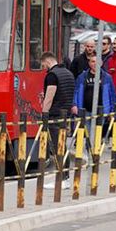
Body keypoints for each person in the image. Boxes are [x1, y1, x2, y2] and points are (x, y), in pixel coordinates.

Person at [39, 52, 76, 187]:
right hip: (65, 114)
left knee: (57, 147)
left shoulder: (52, 76)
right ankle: (64, 178)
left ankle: (62, 179)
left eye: (43, 65)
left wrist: (44, 112)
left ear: (47, 61)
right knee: (62, 145)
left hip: (55, 115)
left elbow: (50, 96)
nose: (44, 68)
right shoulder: (68, 73)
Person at [72, 52, 116, 116]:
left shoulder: (107, 78)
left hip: (102, 112)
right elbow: (76, 92)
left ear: (101, 63)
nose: (95, 64)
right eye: (93, 61)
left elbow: (112, 95)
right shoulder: (81, 77)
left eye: (97, 61)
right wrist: (74, 105)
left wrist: (112, 110)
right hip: (85, 111)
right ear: (89, 63)